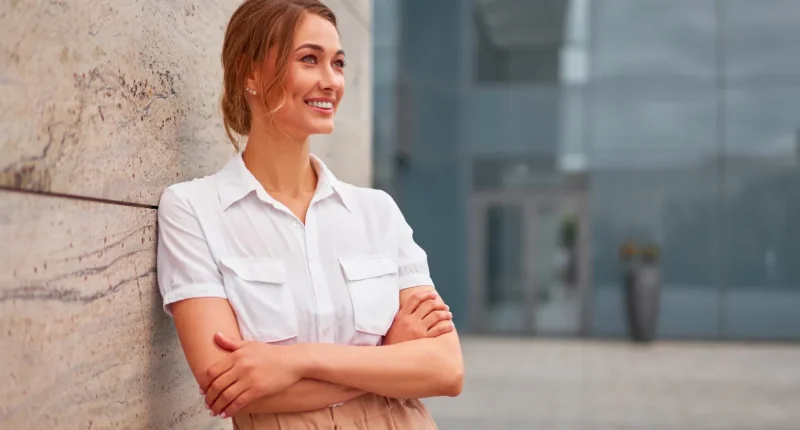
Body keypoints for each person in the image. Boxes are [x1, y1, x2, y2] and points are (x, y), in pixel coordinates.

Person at [155, 0, 464, 428]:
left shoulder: (377, 212)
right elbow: (225, 386)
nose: (331, 81)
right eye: (309, 60)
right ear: (249, 71)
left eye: (337, 63)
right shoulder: (193, 210)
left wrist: (295, 361)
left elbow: (446, 370)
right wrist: (387, 358)